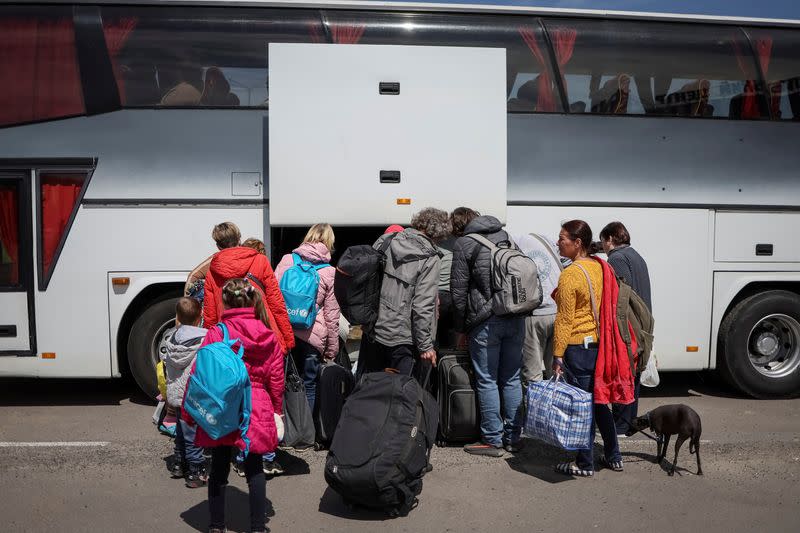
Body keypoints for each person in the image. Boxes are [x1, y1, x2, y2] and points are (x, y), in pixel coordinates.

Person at [193, 278, 284, 533]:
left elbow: (201, 374)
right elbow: (276, 377)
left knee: (219, 465)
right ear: (254, 300)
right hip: (256, 402)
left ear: (225, 301)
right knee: (254, 466)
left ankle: (216, 525)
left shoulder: (217, 332)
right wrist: (277, 409)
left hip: (223, 404)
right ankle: (257, 527)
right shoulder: (268, 334)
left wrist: (192, 414)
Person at [552, 220, 633, 477]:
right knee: (599, 403)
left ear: (578, 243)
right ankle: (614, 456)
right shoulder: (602, 268)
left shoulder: (571, 274)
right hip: (601, 345)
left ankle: (584, 463)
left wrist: (557, 354)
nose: (558, 242)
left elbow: (565, 319)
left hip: (578, 346)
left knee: (582, 406)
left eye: (562, 238)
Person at [451, 213, 525, 457]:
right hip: (515, 317)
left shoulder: (464, 244)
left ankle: (493, 439)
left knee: (487, 380)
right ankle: (514, 437)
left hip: (485, 323)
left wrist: (461, 328)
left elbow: (459, 291)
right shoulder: (507, 237)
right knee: (512, 379)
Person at [367, 208, 450, 379]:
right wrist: (426, 346)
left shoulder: (386, 240)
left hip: (374, 330)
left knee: (371, 390)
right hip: (404, 338)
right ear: (439, 235)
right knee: (401, 395)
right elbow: (422, 306)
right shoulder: (430, 258)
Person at [275, 224, 340, 415]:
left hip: (284, 332)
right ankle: (305, 436)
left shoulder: (287, 260)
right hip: (312, 334)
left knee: (282, 382)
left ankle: (285, 431)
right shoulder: (329, 272)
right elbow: (331, 315)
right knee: (309, 385)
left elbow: (273, 296)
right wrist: (331, 349)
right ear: (330, 241)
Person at [202, 222, 294, 355]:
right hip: (263, 334)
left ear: (218, 245)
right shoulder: (260, 261)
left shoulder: (212, 271)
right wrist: (287, 338)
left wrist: (212, 344)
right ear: (239, 239)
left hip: (230, 340)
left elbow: (210, 316)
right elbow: (276, 303)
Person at [600, 221, 652, 436]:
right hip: (642, 322)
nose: (602, 246)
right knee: (634, 375)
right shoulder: (635, 255)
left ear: (610, 239)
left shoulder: (617, 258)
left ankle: (620, 425)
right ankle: (628, 422)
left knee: (623, 373)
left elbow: (622, 295)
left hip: (629, 325)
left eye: (603, 241)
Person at [164, 297, 208, 488]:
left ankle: (179, 463)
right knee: (193, 434)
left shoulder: (172, 338)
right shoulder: (204, 339)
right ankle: (195, 469)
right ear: (200, 316)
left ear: (178, 317)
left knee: (181, 432)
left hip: (176, 394)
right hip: (193, 395)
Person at [515, 233, 563, 385]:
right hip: (556, 311)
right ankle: (556, 405)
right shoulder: (544, 238)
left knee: (532, 372)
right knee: (556, 370)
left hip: (534, 314)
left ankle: (535, 407)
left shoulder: (514, 243)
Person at [436, 208, 480, 348]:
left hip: (437, 294)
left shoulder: (440, 238)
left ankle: (437, 367)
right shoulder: (470, 241)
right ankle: (451, 367)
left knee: (436, 339)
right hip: (457, 295)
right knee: (454, 340)